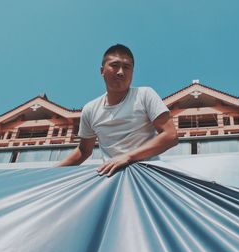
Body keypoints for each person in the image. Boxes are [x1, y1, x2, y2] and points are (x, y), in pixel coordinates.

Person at [57, 44, 178, 176]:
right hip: (112, 177)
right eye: (115, 65)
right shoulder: (90, 109)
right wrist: (51, 171)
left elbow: (170, 135)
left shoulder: (144, 95)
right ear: (102, 71)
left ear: (132, 72)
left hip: (148, 174)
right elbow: (84, 151)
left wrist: (128, 157)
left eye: (126, 67)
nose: (120, 72)